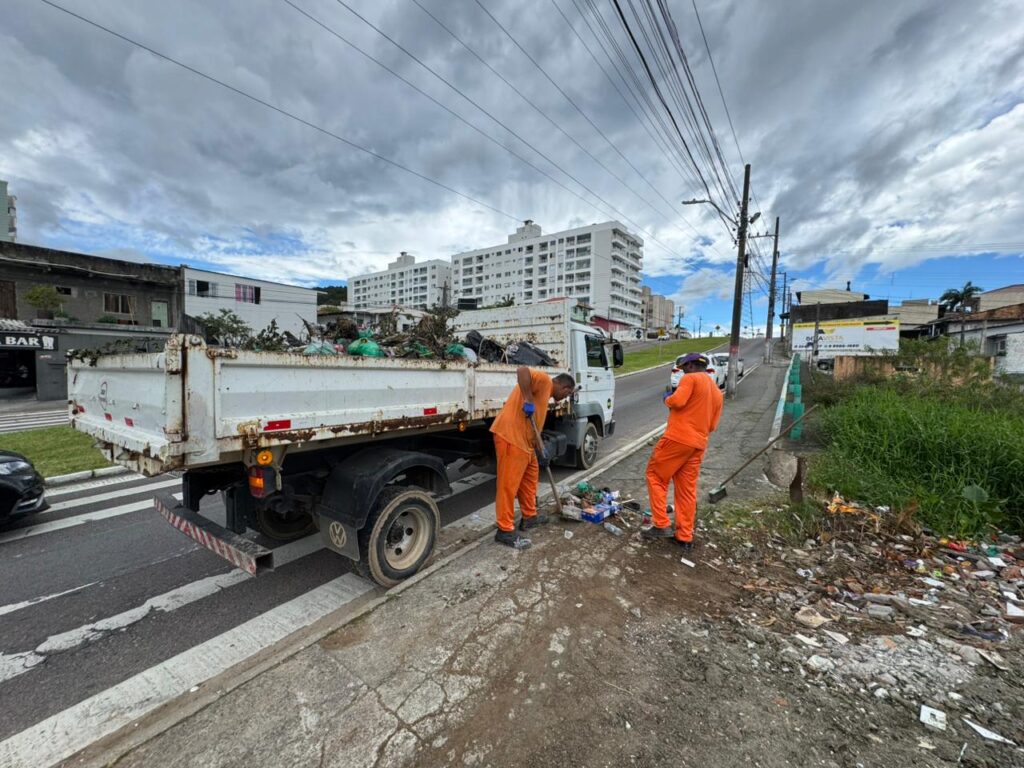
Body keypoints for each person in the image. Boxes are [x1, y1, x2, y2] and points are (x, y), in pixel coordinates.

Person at [642, 352, 723, 550]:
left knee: (655, 476)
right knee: (686, 491)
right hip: (698, 444)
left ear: (692, 366)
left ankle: (661, 523)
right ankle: (684, 536)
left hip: (677, 439)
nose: (683, 372)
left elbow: (677, 402)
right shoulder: (716, 391)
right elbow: (712, 426)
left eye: (684, 368)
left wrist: (667, 398)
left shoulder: (690, 379)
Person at [491, 366, 576, 549]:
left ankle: (529, 517)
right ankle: (504, 530)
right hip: (511, 437)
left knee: (531, 476)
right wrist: (528, 399)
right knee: (508, 486)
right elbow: (522, 371)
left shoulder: (545, 394)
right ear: (565, 388)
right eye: (567, 394)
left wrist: (539, 446)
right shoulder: (545, 381)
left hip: (526, 443)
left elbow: (534, 424)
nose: (564, 398)